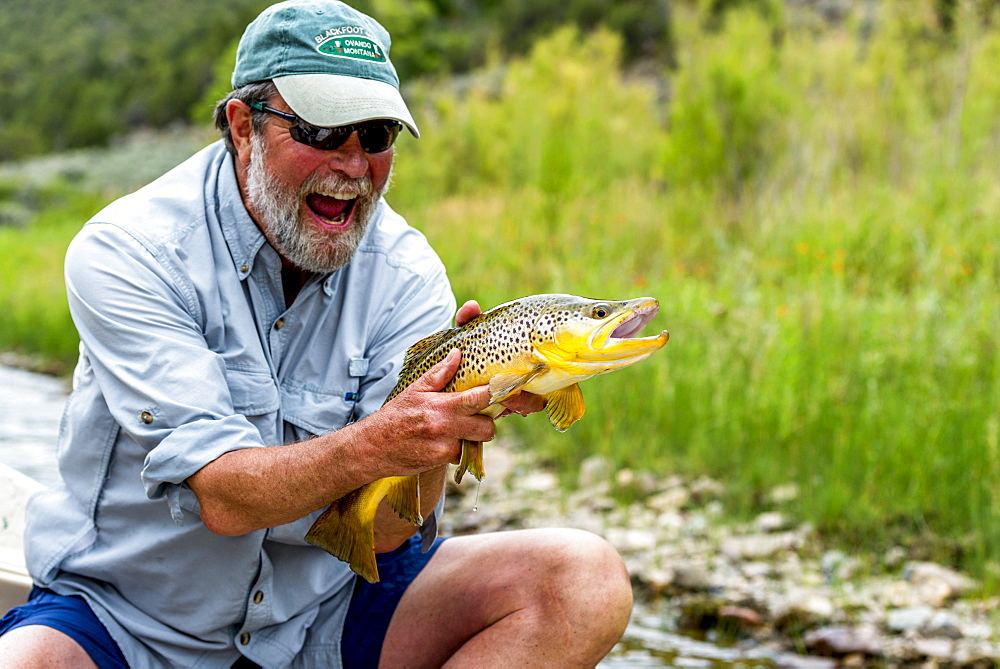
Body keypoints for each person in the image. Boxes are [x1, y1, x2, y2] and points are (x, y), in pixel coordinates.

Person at [0, 1, 632, 667]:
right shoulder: (131, 250)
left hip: (322, 616)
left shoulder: (409, 273)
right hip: (132, 622)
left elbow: (385, 537)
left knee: (581, 581)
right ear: (243, 127)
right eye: (322, 131)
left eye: (377, 134)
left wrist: (436, 435)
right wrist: (378, 441)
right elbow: (221, 493)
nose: (354, 165)